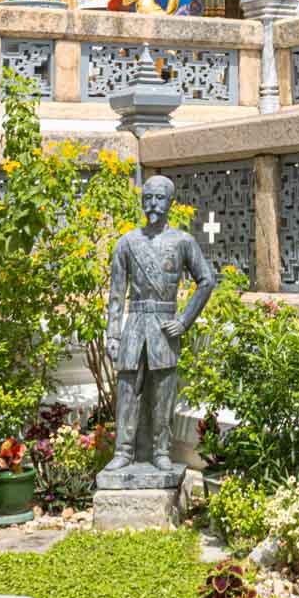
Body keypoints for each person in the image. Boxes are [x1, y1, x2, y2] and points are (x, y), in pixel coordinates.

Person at [104, 174, 217, 476]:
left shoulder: (182, 241)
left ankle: (161, 451)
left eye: (159, 198)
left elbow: (206, 281)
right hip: (134, 325)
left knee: (164, 392)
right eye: (148, 198)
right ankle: (123, 451)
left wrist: (184, 320)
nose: (153, 204)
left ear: (170, 202)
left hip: (165, 327)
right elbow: (116, 294)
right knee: (127, 389)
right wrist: (113, 334)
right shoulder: (126, 243)